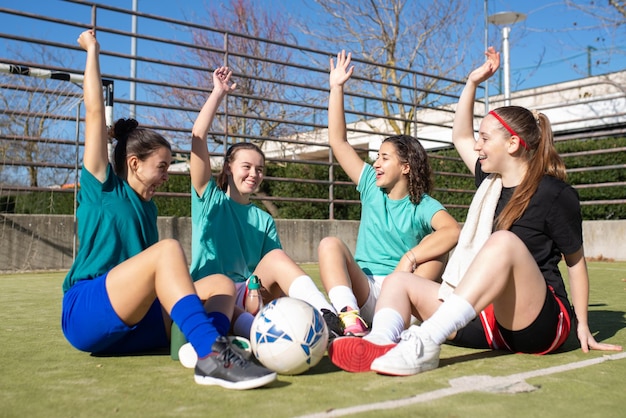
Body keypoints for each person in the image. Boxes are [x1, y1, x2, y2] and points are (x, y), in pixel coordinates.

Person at [329, 47, 622, 374]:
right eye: (479, 139)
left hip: (538, 323)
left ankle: (426, 340)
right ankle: (379, 343)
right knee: (399, 282)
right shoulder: (490, 182)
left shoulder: (555, 193)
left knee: (504, 242)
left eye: (485, 139)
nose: (477, 145)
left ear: (512, 144)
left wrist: (582, 322)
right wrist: (471, 82)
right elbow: (460, 135)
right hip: (489, 319)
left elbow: (576, 263)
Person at [61, 30, 276, 390]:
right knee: (169, 250)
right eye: (162, 166)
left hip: (133, 322)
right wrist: (92, 50)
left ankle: (200, 346)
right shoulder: (102, 188)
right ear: (133, 163)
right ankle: (213, 355)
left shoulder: (149, 209)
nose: (166, 174)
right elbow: (95, 113)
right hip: (88, 313)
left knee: (222, 284)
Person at [188, 65, 343, 340]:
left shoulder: (264, 219)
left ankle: (326, 315)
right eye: (246, 166)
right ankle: (262, 335)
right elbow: (198, 137)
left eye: (259, 169)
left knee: (276, 258)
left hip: (250, 295)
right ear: (228, 168)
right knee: (240, 314)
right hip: (213, 293)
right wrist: (218, 93)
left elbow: (273, 275)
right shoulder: (209, 200)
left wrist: (257, 292)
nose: (254, 174)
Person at [319, 50, 460, 337]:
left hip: (404, 291)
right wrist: (337, 87)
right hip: (367, 290)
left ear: (406, 167)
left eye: (384, 157)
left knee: (437, 255)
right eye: (377, 157)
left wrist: (409, 259)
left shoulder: (423, 204)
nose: (376, 163)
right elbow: (338, 141)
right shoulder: (371, 184)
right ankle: (349, 317)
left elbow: (452, 231)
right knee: (329, 244)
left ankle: (408, 324)